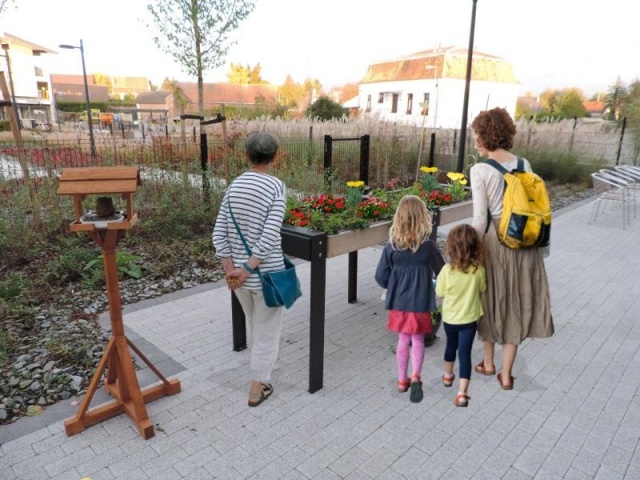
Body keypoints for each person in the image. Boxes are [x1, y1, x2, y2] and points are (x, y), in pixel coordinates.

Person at [469, 107, 554, 390]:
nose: (474, 140)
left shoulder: (480, 170)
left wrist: (469, 251)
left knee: (490, 300)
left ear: (484, 136)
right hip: (525, 245)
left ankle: (488, 362)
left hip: (495, 243)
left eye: (476, 135)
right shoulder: (524, 164)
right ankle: (505, 374)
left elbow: (480, 219)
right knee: (516, 303)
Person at [212, 132, 286, 407]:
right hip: (267, 276)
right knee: (267, 330)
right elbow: (269, 236)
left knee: (257, 325)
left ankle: (262, 371)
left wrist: (231, 270)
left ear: (246, 155)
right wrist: (246, 269)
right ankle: (257, 388)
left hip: (240, 281)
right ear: (274, 157)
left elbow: (219, 232)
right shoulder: (276, 187)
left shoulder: (234, 186)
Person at [375, 195, 445, 403]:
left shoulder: (392, 247)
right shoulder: (428, 247)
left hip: (399, 302)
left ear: (399, 218)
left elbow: (380, 276)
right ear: (423, 218)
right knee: (417, 339)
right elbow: (442, 272)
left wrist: (392, 284)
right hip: (421, 302)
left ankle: (401, 380)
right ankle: (416, 376)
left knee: (403, 339)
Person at [435, 224, 486, 407]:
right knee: (465, 354)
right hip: (470, 319)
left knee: (450, 346)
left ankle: (448, 377)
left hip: (450, 319)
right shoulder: (478, 270)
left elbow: (439, 292)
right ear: (474, 246)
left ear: (451, 246)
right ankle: (462, 394)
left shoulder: (446, 271)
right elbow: (482, 289)